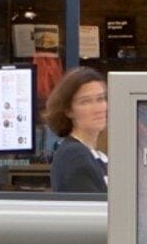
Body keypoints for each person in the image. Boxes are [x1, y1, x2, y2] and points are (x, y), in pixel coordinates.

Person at [42, 66, 110, 196]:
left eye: (101, 99)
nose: (98, 108)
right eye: (86, 102)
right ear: (68, 110)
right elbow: (91, 212)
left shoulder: (96, 155)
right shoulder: (75, 154)